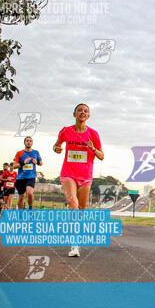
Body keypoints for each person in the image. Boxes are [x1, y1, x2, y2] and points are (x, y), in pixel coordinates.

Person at [53, 103, 104, 257]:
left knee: (81, 210)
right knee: (73, 204)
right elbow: (56, 145)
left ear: (88, 116)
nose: (83, 112)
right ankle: (74, 246)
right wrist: (57, 148)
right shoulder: (66, 131)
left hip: (86, 176)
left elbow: (101, 156)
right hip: (68, 173)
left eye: (86, 111)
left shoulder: (93, 134)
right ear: (74, 114)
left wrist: (92, 148)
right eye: (80, 110)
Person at [12, 137, 42, 210]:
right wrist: (23, 163)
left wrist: (37, 162)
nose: (29, 142)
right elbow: (14, 166)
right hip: (21, 178)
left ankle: (30, 209)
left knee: (30, 193)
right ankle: (20, 214)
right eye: (27, 141)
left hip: (31, 177)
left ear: (32, 143)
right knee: (21, 197)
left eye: (30, 141)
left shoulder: (35, 152)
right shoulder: (20, 153)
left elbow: (41, 163)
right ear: (24, 143)